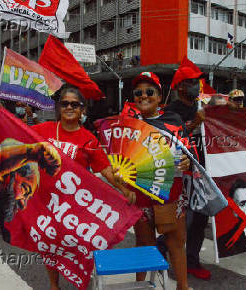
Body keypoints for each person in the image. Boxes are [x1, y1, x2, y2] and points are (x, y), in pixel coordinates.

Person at [30, 85, 136, 290]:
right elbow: (16, 134)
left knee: (79, 246)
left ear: (82, 110)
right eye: (65, 103)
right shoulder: (43, 130)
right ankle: (54, 286)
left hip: (76, 205)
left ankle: (81, 282)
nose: (69, 107)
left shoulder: (89, 139)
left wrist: (123, 189)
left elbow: (104, 169)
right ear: (59, 107)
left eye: (74, 104)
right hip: (48, 202)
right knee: (50, 246)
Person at [129, 72, 191, 290]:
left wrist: (186, 161)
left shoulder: (174, 121)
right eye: (138, 93)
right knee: (144, 245)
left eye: (149, 92)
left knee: (175, 243)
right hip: (140, 193)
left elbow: (190, 153)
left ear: (159, 96)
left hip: (170, 192)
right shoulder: (128, 123)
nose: (143, 96)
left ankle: (182, 287)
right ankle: (140, 288)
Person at [164, 65, 211, 280]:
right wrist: (195, 124)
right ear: (181, 87)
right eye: (192, 82)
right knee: (182, 220)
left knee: (200, 217)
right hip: (181, 174)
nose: (197, 86)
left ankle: (192, 260)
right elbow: (173, 137)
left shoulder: (201, 107)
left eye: (198, 81)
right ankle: (159, 251)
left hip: (201, 171)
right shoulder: (171, 110)